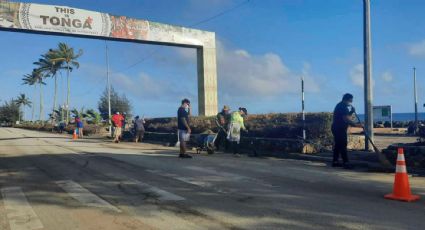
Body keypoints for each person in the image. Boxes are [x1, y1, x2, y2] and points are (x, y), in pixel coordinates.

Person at [331, 93, 362, 168]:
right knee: (343, 145)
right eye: (351, 101)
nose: (351, 102)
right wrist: (356, 125)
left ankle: (335, 162)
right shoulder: (342, 106)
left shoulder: (341, 105)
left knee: (338, 145)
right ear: (347, 99)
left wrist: (351, 112)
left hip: (337, 128)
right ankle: (346, 163)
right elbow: (346, 119)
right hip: (339, 129)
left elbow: (347, 116)